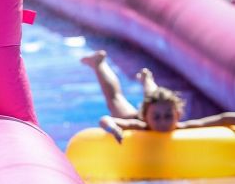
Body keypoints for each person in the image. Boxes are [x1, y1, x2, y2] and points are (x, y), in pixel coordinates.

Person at [81, 50, 235, 143]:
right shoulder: (139, 125)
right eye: (157, 118)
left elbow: (223, 118)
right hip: (132, 117)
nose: (163, 122)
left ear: (178, 115)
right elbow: (105, 120)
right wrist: (113, 129)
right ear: (146, 117)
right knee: (115, 99)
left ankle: (147, 79)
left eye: (168, 116)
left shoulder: (183, 127)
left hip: (151, 108)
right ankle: (98, 64)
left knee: (156, 99)